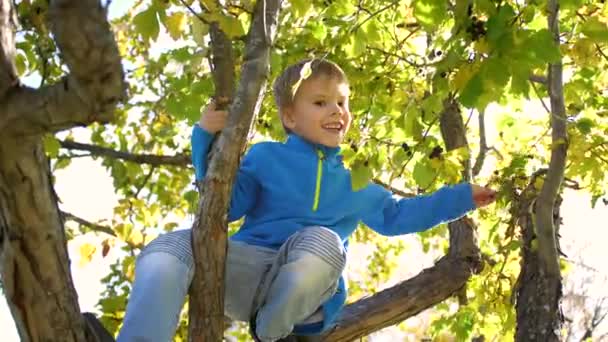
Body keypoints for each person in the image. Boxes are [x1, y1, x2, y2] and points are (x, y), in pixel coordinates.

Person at [116, 59, 496, 342]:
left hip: (306, 299)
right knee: (170, 245)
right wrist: (205, 140)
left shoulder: (357, 179)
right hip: (247, 275)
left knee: (323, 240)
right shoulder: (265, 157)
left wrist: (461, 197)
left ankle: (274, 332)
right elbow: (224, 206)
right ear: (290, 118)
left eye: (342, 103)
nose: (337, 111)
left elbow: (399, 217)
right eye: (320, 103)